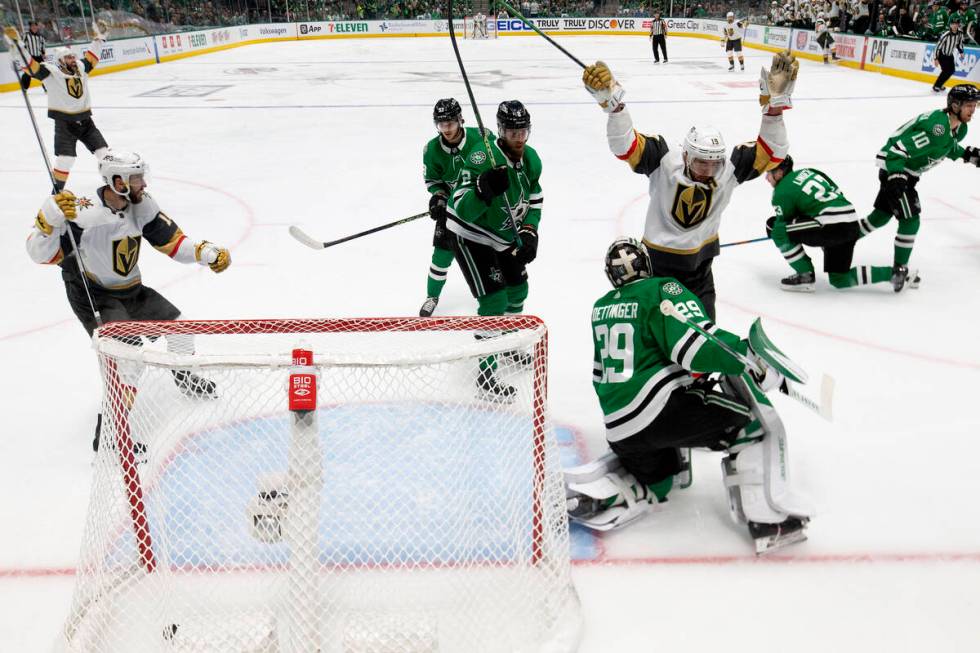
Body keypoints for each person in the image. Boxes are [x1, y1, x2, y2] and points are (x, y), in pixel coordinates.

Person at [565, 238, 811, 554]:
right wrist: (746, 356)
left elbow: (607, 373)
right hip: (661, 412)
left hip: (619, 427)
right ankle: (769, 522)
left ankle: (619, 493)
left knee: (661, 480)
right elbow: (695, 344)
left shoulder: (601, 309)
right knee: (752, 427)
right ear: (646, 265)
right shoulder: (661, 289)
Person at [25, 151, 232, 449]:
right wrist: (46, 223)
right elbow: (40, 255)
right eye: (136, 179)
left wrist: (205, 252)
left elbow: (171, 241)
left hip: (130, 288)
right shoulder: (83, 214)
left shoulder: (141, 205)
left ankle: (185, 376)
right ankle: (111, 432)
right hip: (94, 294)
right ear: (116, 181)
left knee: (180, 328)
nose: (143, 184)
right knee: (127, 361)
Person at [580, 51, 797, 320]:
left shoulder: (728, 170)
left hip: (700, 272)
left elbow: (773, 152)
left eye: (714, 163)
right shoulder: (663, 161)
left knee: (705, 338)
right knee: (659, 341)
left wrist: (774, 108)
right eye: (699, 162)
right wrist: (614, 108)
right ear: (685, 155)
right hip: (656, 268)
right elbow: (624, 146)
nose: (707, 170)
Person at [446, 100, 542, 399]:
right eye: (513, 132)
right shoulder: (481, 157)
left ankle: (508, 346)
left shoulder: (531, 159)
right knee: (494, 300)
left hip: (502, 234)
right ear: (500, 131)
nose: (519, 138)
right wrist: (482, 190)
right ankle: (486, 376)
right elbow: (462, 208)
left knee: (518, 291)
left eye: (523, 131)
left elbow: (535, 200)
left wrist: (529, 231)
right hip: (471, 233)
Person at [863, 84, 980, 290]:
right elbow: (898, 150)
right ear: (955, 105)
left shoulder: (959, 128)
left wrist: (966, 154)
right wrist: (897, 176)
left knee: (879, 217)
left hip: (906, 172)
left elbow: (945, 146)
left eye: (975, 105)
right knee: (910, 220)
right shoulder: (938, 126)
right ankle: (899, 271)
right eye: (969, 105)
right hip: (897, 169)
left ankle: (843, 235)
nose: (974, 109)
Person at [765, 155, 904, 292]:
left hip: (830, 227)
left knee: (777, 230)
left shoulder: (781, 192)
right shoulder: (810, 171)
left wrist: (771, 229)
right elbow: (837, 191)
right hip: (850, 222)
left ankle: (804, 275)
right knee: (839, 278)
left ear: (779, 172)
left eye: (768, 173)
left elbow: (785, 223)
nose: (766, 178)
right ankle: (894, 274)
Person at [419, 98, 493, 317]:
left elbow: (500, 163)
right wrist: (438, 197)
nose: (447, 129)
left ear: (461, 119)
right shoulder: (432, 149)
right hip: (452, 209)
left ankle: (496, 295)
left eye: (450, 123)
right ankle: (432, 296)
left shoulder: (483, 138)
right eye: (442, 125)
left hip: (481, 207)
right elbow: (433, 181)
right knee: (441, 254)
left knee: (491, 253)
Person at [15, 22, 109, 191]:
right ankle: (57, 192)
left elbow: (92, 57)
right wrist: (18, 46)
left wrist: (98, 38)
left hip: (86, 121)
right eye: (69, 57)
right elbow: (32, 68)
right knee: (66, 160)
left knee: (104, 153)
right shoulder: (51, 72)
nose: (73, 60)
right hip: (65, 124)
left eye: (73, 56)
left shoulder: (80, 67)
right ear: (60, 60)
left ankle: (113, 185)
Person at [932, 18, 965, 92]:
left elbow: (959, 43)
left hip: (950, 55)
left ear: (958, 25)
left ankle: (939, 85)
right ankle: (936, 86)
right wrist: (936, 58)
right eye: (953, 24)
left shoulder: (960, 33)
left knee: (951, 70)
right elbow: (938, 46)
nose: (954, 26)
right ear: (950, 25)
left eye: (956, 24)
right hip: (942, 55)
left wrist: (961, 52)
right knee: (946, 71)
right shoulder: (946, 34)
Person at [19, 21, 46, 91]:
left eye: (35, 25)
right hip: (30, 57)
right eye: (32, 26)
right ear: (30, 27)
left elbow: (42, 45)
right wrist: (23, 53)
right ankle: (24, 87)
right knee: (28, 73)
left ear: (37, 27)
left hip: (39, 57)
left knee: (44, 71)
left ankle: (46, 86)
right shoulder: (26, 35)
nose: (34, 27)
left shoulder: (41, 36)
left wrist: (43, 53)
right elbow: (22, 44)